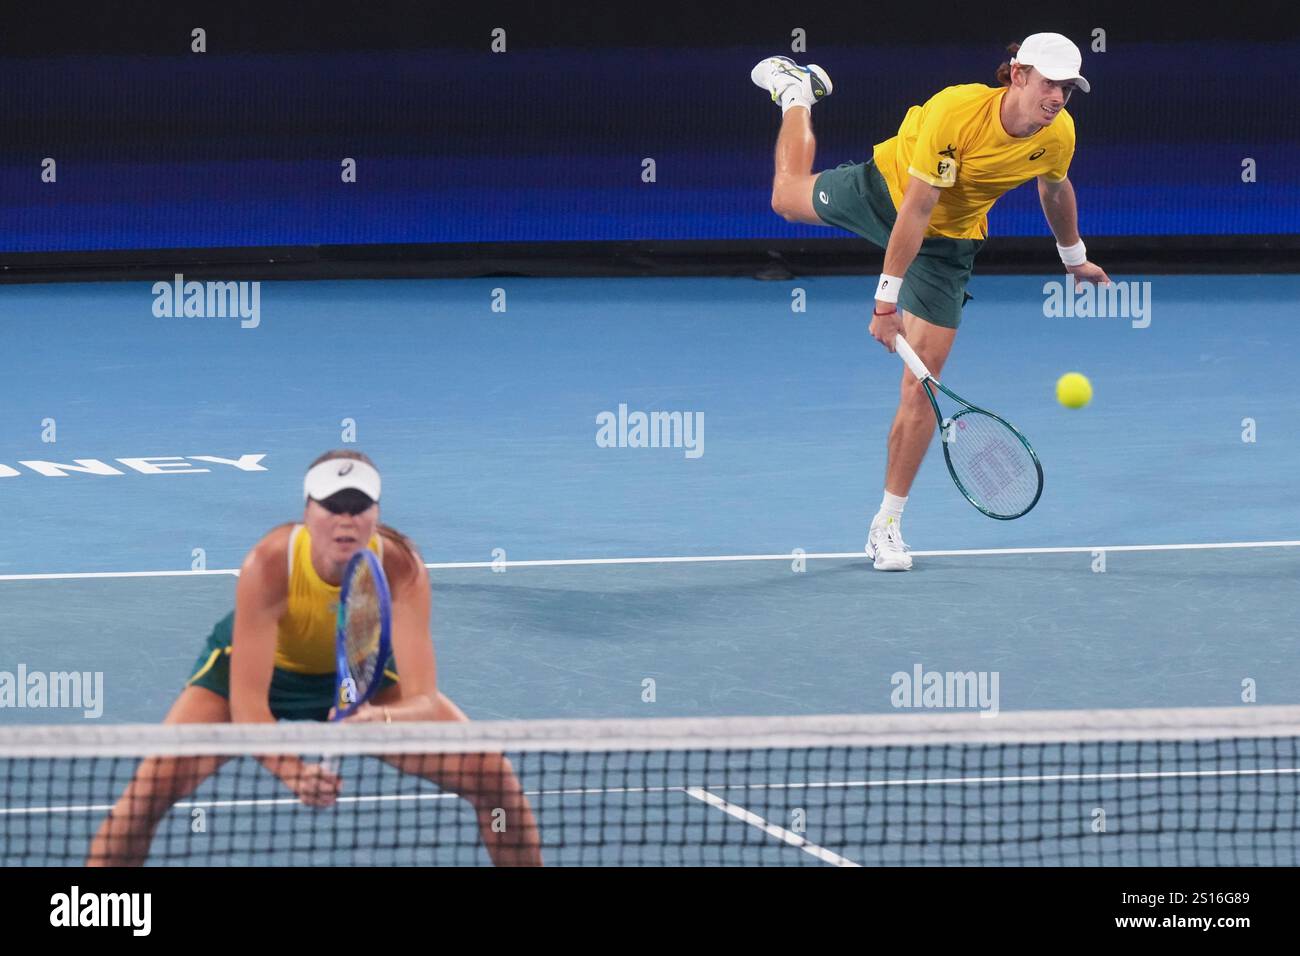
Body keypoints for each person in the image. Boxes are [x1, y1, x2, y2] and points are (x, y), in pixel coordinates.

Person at [752, 33, 1110, 570]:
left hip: (949, 248)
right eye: (1049, 84)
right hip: (887, 191)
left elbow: (1054, 189)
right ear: (1017, 75)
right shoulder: (955, 113)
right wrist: (884, 304)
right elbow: (916, 211)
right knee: (785, 197)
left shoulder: (1058, 135)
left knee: (922, 388)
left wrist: (1073, 256)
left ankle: (887, 525)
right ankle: (796, 92)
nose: (1057, 98)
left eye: (1067, 88)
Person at [88, 449, 543, 866]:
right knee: (147, 796)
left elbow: (422, 696)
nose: (345, 520)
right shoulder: (269, 562)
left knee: (493, 778)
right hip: (257, 676)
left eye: (358, 507)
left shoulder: (401, 567)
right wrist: (293, 772)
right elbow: (248, 708)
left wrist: (380, 721)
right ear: (308, 512)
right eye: (332, 507)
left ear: (375, 514)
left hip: (362, 679)